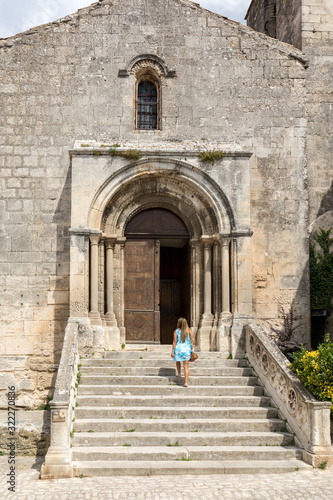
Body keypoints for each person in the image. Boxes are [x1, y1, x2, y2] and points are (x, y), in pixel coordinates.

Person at [171, 317, 194, 388]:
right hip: (186, 349)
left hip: (178, 349)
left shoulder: (176, 331)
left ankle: (179, 373)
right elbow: (192, 342)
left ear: (179, 323)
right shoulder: (189, 331)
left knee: (177, 361)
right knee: (186, 367)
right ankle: (186, 382)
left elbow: (174, 342)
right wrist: (191, 350)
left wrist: (172, 351)